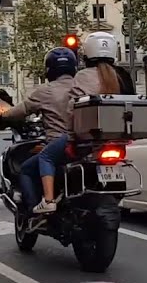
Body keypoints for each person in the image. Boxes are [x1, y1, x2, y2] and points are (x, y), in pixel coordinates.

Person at [31, 31, 123, 214]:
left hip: (84, 138)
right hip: (112, 138)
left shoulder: (82, 76)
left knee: (46, 157)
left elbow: (72, 108)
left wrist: (70, 136)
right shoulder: (121, 76)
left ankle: (48, 200)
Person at [0, 47, 79, 213]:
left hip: (60, 144)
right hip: (85, 143)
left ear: (49, 69)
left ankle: (35, 210)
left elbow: (22, 109)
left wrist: (1, 119)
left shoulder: (46, 91)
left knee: (26, 168)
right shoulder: (82, 87)